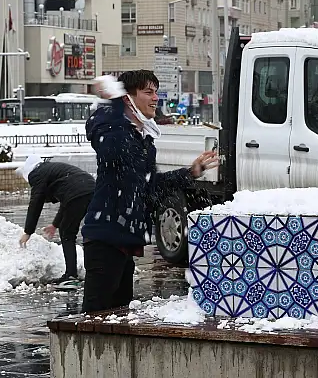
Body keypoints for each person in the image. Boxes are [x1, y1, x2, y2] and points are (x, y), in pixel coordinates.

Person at [80, 70, 219, 313]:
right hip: (105, 239)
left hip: (125, 240)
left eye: (156, 92)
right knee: (94, 318)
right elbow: (98, 128)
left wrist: (190, 173)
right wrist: (114, 101)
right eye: (148, 92)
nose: (156, 98)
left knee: (118, 318)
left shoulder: (142, 140)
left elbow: (148, 185)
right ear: (128, 98)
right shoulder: (114, 134)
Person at [17, 155, 95, 286]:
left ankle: (71, 275)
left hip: (79, 192)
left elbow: (36, 203)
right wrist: (54, 225)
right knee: (84, 230)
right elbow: (67, 201)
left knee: (67, 233)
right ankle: (93, 270)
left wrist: (28, 231)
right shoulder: (50, 170)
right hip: (91, 189)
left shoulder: (37, 174)